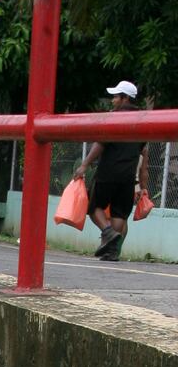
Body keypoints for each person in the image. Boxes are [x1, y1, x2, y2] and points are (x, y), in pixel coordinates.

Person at [75, 81, 148, 263]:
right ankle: (112, 252)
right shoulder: (144, 120)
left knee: (94, 207)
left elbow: (100, 142)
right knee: (119, 214)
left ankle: (107, 234)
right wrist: (143, 186)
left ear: (125, 98)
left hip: (108, 172)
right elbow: (143, 155)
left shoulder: (114, 117)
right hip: (128, 177)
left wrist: (84, 165)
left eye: (116, 96)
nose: (113, 100)